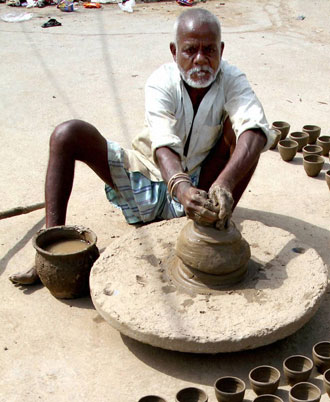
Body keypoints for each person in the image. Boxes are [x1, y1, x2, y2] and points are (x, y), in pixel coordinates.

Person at [10, 8, 276, 285]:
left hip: (202, 183)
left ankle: (213, 224)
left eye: (209, 50)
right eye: (190, 50)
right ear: (174, 51)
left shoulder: (232, 79)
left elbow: (256, 127)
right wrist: (180, 188)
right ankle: (48, 252)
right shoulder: (161, 82)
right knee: (67, 134)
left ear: (221, 50)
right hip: (147, 173)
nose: (200, 59)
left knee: (249, 136)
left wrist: (224, 183)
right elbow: (163, 146)